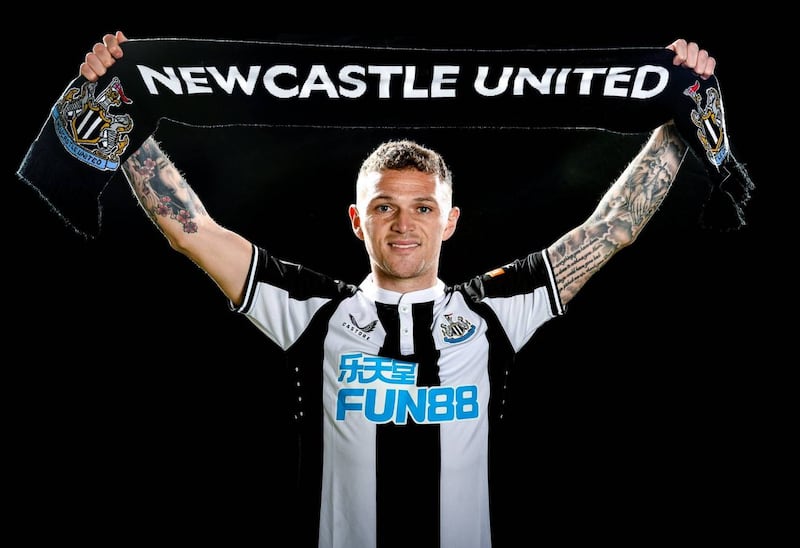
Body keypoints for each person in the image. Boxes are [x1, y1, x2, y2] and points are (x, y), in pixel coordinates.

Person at [79, 32, 717, 548]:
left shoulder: (495, 310)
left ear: (450, 220)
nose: (404, 225)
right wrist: (123, 107)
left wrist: (679, 113)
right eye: (384, 207)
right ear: (357, 221)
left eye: (423, 208)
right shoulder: (311, 310)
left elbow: (613, 229)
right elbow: (191, 230)